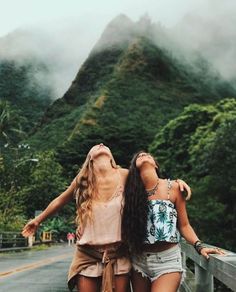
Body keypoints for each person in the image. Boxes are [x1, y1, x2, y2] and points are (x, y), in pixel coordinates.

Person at [22, 144, 191, 292]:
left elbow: (152, 179)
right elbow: (60, 200)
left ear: (112, 160)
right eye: (96, 146)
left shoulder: (125, 176)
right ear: (89, 159)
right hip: (87, 254)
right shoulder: (83, 180)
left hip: (117, 254)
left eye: (105, 147)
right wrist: (38, 220)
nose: (101, 144)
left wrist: (176, 182)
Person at [121, 151, 225, 292]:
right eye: (138, 156)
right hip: (139, 261)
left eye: (147, 155)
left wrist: (199, 246)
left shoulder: (174, 188)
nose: (142, 155)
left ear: (156, 164)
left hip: (168, 261)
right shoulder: (130, 192)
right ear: (134, 168)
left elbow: (184, 225)